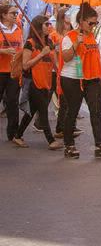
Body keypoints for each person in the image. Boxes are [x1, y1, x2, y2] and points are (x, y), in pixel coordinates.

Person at [58, 3, 101, 160]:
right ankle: (69, 145)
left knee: (95, 112)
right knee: (73, 111)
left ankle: (100, 144)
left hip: (91, 79)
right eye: (90, 23)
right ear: (81, 21)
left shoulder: (91, 37)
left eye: (95, 23)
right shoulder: (69, 37)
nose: (93, 26)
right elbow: (67, 57)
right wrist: (77, 43)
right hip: (72, 79)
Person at [12, 15, 60, 149]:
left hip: (46, 81)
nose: (49, 27)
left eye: (50, 24)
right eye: (46, 24)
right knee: (43, 110)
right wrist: (41, 54)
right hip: (33, 81)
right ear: (38, 26)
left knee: (31, 111)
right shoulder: (30, 43)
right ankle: (50, 140)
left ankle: (17, 135)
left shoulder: (49, 42)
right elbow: (25, 65)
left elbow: (54, 62)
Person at [0, 3, 22, 141]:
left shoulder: (18, 29)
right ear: (3, 15)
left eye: (16, 13)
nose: (16, 16)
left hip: (14, 71)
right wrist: (3, 51)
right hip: (0, 71)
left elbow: (21, 47)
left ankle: (13, 133)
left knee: (13, 101)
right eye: (13, 13)